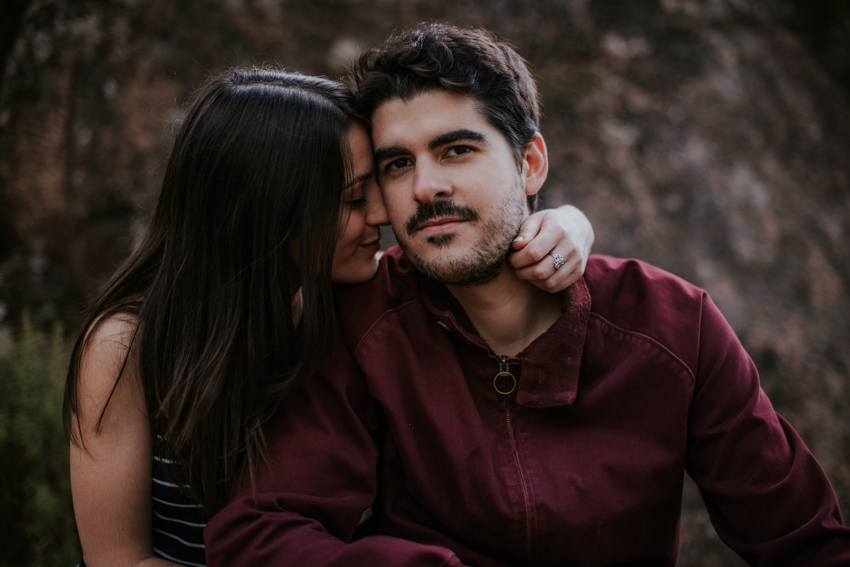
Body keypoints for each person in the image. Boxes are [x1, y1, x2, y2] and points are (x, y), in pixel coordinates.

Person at [205, 24, 850, 566]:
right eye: (397, 164)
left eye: (456, 149)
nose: (424, 187)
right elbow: (260, 533)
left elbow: (807, 542)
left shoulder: (674, 325)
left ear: (531, 164)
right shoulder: (361, 320)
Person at [62, 67, 594, 567]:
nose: (384, 215)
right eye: (352, 199)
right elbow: (121, 559)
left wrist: (569, 223)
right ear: (268, 212)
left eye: (376, 187)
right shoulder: (125, 346)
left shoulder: (348, 306)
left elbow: (474, 247)